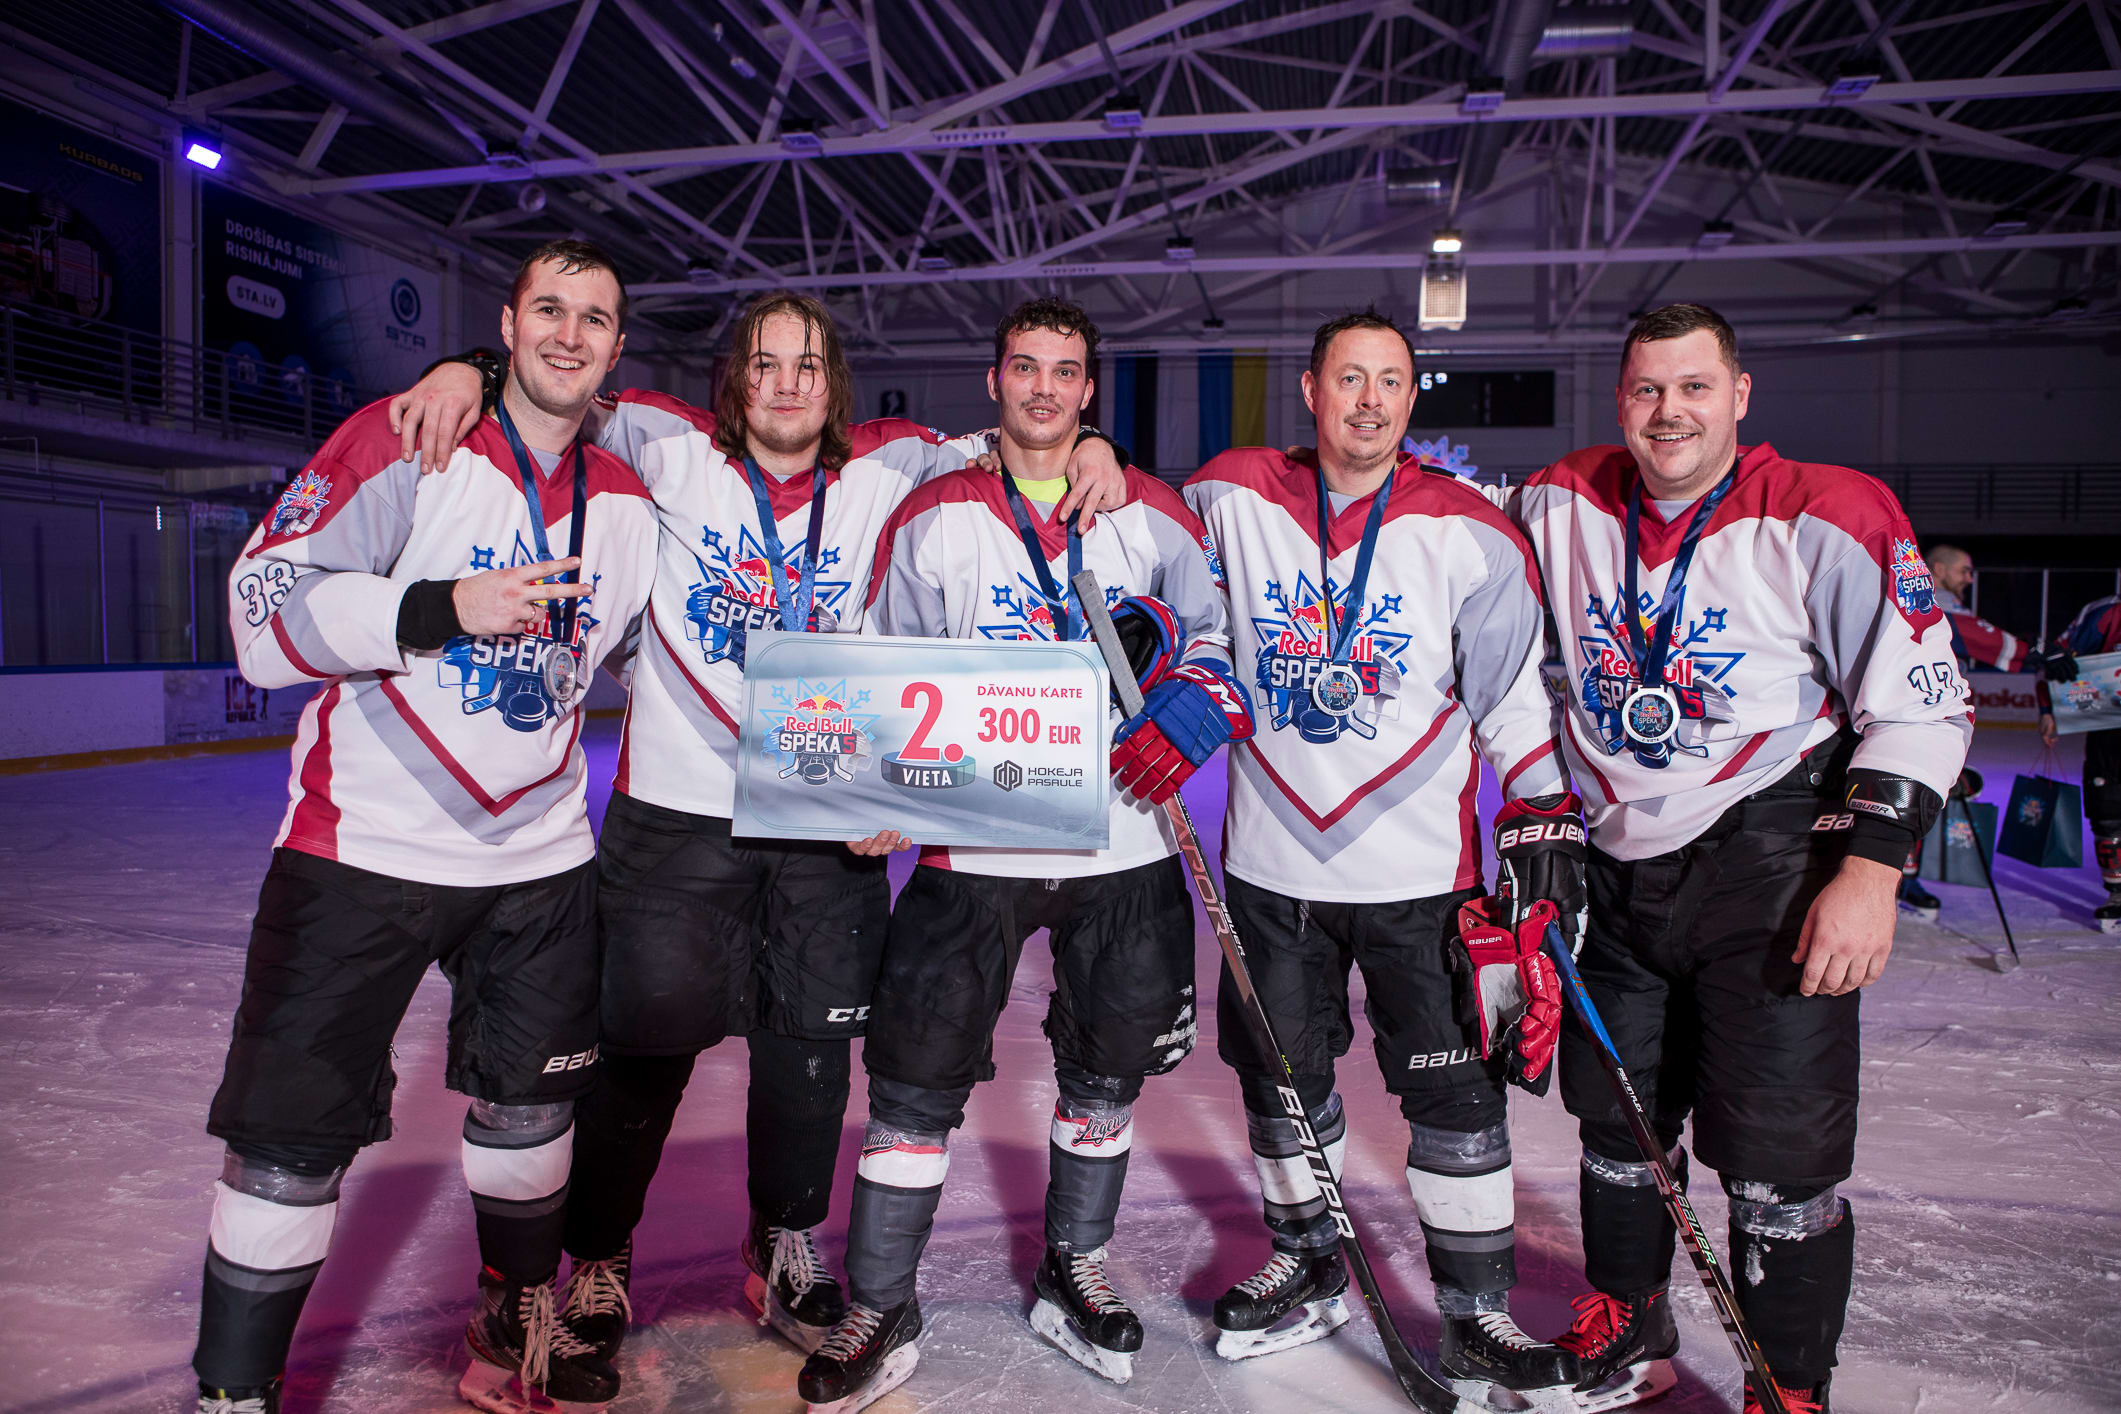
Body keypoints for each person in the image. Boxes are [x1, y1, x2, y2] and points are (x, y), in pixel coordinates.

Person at [385, 294, 1127, 1362]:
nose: (785, 384)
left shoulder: (893, 461)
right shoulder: (664, 440)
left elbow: (1029, 431)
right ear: (735, 377)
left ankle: (782, 1238)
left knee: (810, 1053)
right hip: (677, 819)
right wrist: (472, 367)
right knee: (642, 1052)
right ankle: (599, 1251)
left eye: (808, 366)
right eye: (765, 364)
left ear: (835, 384)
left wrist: (1098, 445)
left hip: (826, 815)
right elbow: (557, 384)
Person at [192, 240, 659, 1414]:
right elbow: (260, 619)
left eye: (593, 318)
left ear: (618, 346)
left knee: (534, 1109)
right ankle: (234, 1394)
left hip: (541, 858)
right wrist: (441, 607)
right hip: (363, 849)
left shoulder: (628, 500)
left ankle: (511, 1325)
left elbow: (668, 654)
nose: (568, 335)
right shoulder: (407, 439)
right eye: (548, 309)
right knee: (289, 1140)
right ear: (505, 326)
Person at [1511, 303, 1971, 1414]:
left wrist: (1869, 873)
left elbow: (1923, 701)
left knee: (1777, 1152)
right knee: (1617, 1123)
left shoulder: (1828, 510)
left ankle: (1787, 1386)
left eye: (1693, 387)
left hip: (1769, 859)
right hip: (1612, 864)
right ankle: (1633, 1326)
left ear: (1739, 394)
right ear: (1620, 398)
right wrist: (1097, 451)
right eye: (1646, 389)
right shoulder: (1557, 497)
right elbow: (1406, 508)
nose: (1667, 412)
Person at [795, 296, 1251, 1412]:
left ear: (1089, 389)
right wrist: (876, 787)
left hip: (1121, 840)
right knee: (914, 1075)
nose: (1045, 388)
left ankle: (1073, 1264)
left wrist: (1192, 703)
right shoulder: (936, 512)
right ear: (995, 380)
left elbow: (1216, 640)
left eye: (1065, 371)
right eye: (1025, 367)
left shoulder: (1149, 509)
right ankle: (882, 1300)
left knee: (1105, 1069)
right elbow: (884, 661)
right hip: (971, 848)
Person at [1181, 309, 1583, 1405]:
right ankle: (1306, 1260)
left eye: (1390, 381)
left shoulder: (1470, 530)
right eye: (1348, 378)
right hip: (1273, 873)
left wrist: (1541, 805)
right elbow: (1145, 547)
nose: (1368, 400)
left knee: (1457, 1099)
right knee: (1280, 1082)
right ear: (1310, 390)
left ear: (1411, 397)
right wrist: (1089, 457)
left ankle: (1475, 1314)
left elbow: (1508, 694)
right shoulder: (1230, 493)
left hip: (1423, 881)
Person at [2037, 594, 2121, 933]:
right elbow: (2056, 657)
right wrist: (2049, 709)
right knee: (2108, 810)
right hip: (2110, 732)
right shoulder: (2107, 612)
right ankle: (2117, 893)